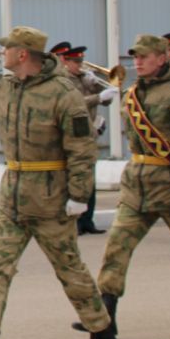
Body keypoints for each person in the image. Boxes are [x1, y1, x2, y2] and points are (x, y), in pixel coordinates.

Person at [0, 26, 115, 339]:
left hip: (50, 198)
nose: (2, 54)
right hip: (13, 197)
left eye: (7, 49)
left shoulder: (63, 92)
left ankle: (102, 333)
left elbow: (81, 148)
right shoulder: (8, 87)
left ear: (23, 54)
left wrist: (79, 195)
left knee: (68, 269)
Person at [81, 34, 170, 337]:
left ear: (161, 59)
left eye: (144, 57)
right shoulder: (134, 93)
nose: (137, 62)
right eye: (136, 57)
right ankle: (106, 315)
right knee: (116, 248)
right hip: (136, 187)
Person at [57, 43, 119, 234]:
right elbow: (73, 104)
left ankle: (87, 221)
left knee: (90, 180)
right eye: (76, 62)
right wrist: (98, 97)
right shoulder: (62, 79)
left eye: (81, 61)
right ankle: (74, 222)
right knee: (75, 179)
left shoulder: (84, 78)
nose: (80, 65)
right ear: (65, 62)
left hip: (89, 135)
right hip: (72, 136)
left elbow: (106, 101)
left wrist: (99, 86)